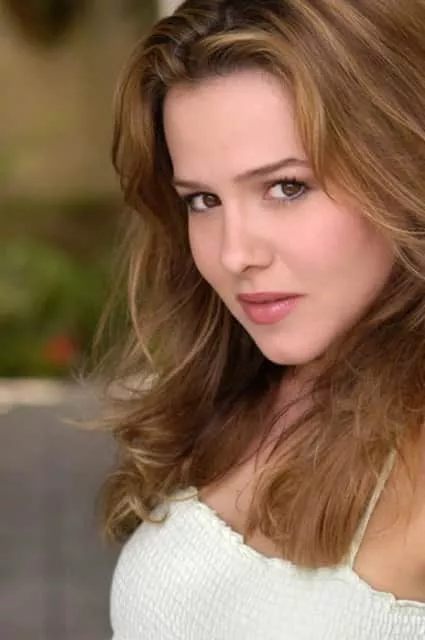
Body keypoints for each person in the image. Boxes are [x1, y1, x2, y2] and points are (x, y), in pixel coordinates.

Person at [98, 0, 425, 637]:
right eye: (203, 200)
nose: (234, 253)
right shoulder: (241, 392)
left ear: (402, 167)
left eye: (286, 187)